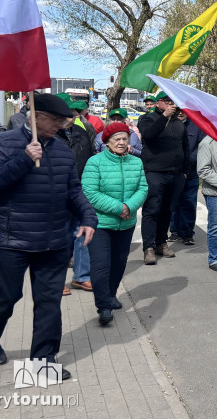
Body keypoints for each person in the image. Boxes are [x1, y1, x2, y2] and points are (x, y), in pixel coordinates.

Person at [0, 94, 96, 380]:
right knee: (6, 297)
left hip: (54, 240)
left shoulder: (63, 150)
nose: (60, 125)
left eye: (63, 121)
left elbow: (74, 191)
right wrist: (24, 159)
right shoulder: (6, 143)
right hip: (12, 240)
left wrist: (89, 218)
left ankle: (42, 362)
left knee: (49, 302)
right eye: (55, 120)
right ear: (35, 115)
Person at [82, 123, 148, 325]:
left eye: (124, 139)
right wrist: (119, 208)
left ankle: (111, 294)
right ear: (107, 142)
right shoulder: (94, 162)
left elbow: (143, 188)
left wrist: (129, 206)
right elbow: (90, 193)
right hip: (101, 223)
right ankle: (103, 306)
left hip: (125, 225)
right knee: (101, 265)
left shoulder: (136, 163)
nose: (121, 142)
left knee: (119, 264)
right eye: (117, 139)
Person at [138, 91, 189, 265]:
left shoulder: (178, 123)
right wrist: (164, 117)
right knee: (152, 210)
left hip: (175, 174)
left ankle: (161, 242)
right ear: (158, 103)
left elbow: (185, 147)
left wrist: (185, 171)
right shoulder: (148, 119)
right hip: (155, 172)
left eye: (172, 102)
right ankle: (149, 247)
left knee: (167, 210)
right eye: (167, 101)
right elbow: (148, 136)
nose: (171, 105)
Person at [57, 95, 96, 295]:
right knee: (60, 237)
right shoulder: (48, 135)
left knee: (82, 233)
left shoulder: (81, 131)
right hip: (57, 194)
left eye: (74, 111)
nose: (71, 115)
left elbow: (90, 159)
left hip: (80, 191)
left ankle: (81, 277)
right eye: (67, 111)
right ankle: (56, 280)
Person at [169, 116, 204, 245]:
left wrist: (186, 161)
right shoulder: (168, 123)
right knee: (174, 203)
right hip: (173, 171)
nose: (180, 113)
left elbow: (202, 148)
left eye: (183, 109)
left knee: (189, 203)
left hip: (191, 172)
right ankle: (174, 232)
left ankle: (187, 233)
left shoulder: (197, 125)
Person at [197, 135, 217, 272]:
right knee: (216, 226)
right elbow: (203, 169)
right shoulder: (207, 143)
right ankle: (214, 258)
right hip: (216, 193)